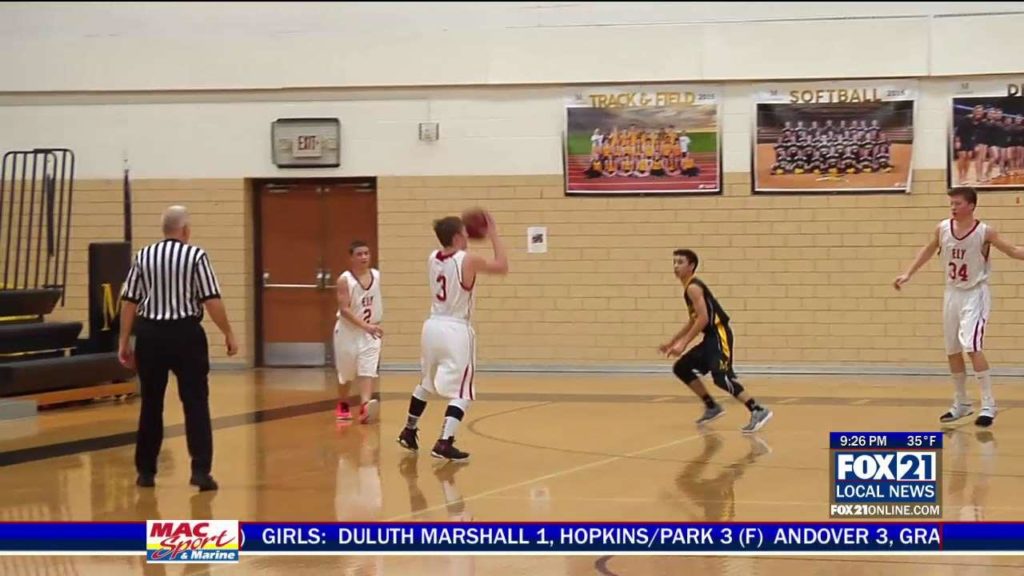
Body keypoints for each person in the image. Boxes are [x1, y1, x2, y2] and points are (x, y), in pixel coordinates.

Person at [118, 205, 238, 491]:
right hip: (186, 334)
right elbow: (211, 299)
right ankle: (200, 471)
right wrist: (228, 332)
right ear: (185, 230)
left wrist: (124, 341)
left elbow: (129, 301)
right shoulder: (196, 256)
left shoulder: (143, 256)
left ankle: (146, 472)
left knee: (151, 404)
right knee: (196, 403)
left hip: (150, 335)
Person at [894, 188, 1024, 427]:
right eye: (951, 203)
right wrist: (908, 273)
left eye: (958, 203)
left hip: (975, 293)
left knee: (972, 347)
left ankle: (988, 404)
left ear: (971, 206)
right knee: (953, 350)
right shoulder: (943, 228)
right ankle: (962, 402)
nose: (953, 207)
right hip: (952, 293)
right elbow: (929, 249)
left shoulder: (984, 232)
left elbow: (1013, 251)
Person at [397, 214, 508, 461]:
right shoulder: (467, 259)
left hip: (432, 326)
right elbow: (502, 266)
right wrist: (493, 234)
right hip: (455, 329)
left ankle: (409, 430)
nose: (468, 237)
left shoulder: (432, 257)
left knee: (426, 383)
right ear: (457, 237)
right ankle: (444, 442)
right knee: (463, 391)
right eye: (465, 234)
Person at [660, 249, 773, 433]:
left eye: (680, 262)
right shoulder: (689, 288)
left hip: (720, 334)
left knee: (721, 377)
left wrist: (683, 344)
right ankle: (712, 406)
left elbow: (703, 319)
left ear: (691, 266)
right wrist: (673, 341)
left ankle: (758, 410)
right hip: (710, 337)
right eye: (674, 262)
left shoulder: (693, 287)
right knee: (681, 367)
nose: (675, 266)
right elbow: (694, 320)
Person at [333, 240, 384, 424]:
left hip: (371, 332)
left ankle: (365, 406)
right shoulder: (344, 280)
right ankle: (343, 403)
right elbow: (345, 310)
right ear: (351, 258)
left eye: (366, 253)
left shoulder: (377, 276)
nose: (364, 257)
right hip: (348, 332)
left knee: (367, 370)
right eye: (359, 254)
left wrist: (372, 326)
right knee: (346, 374)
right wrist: (365, 326)